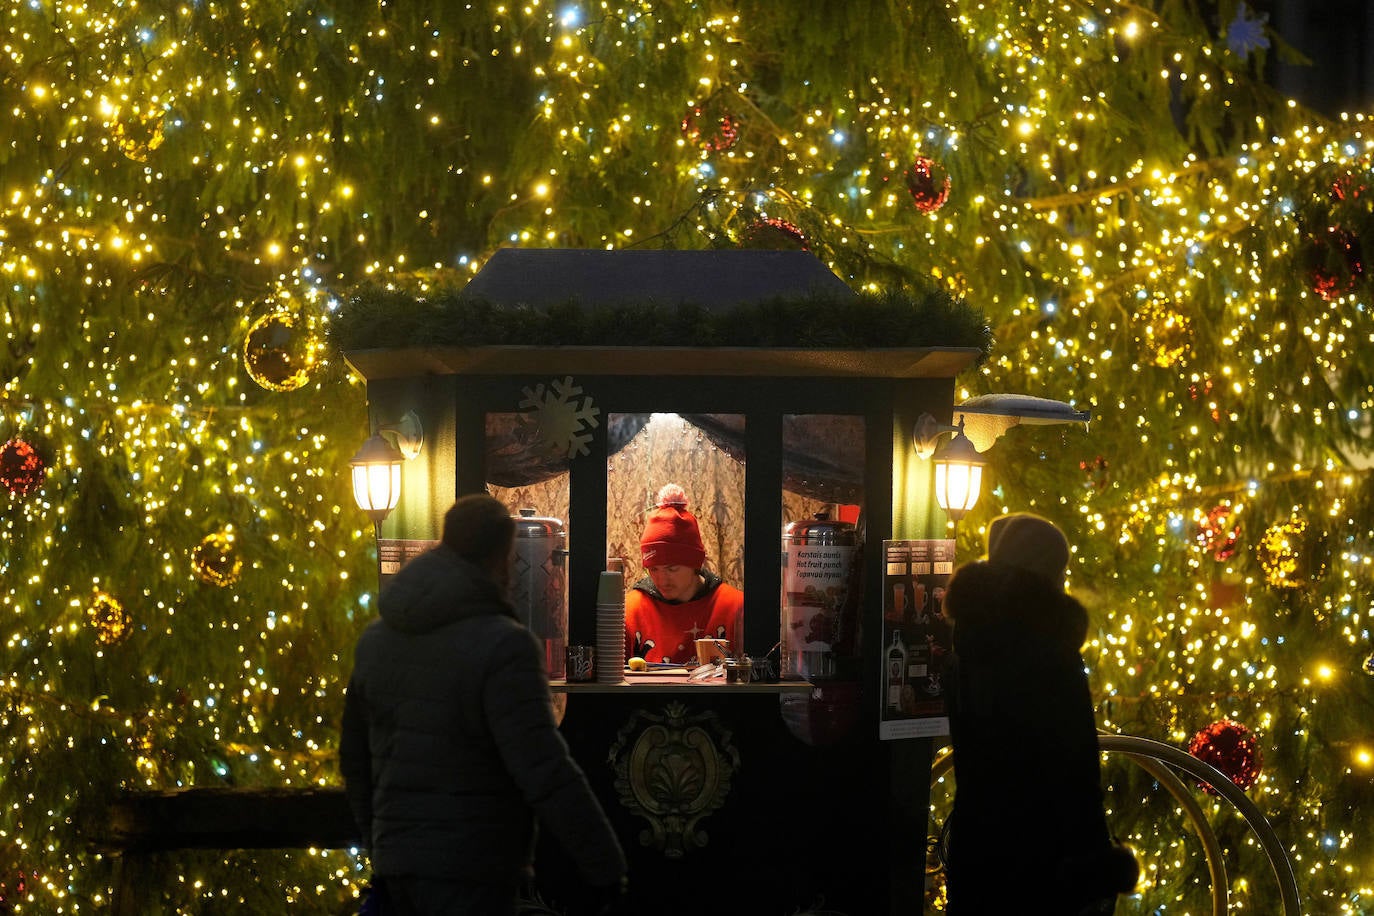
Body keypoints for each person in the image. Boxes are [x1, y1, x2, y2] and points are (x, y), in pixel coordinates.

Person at [340, 493, 628, 915]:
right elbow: (545, 769)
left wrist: (381, 840)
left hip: (396, 873)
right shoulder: (503, 647)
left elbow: (354, 759)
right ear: (499, 556)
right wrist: (606, 867)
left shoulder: (376, 642)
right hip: (474, 869)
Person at [941, 513, 1138, 916]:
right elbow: (1077, 772)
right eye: (1059, 569)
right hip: (1046, 862)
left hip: (978, 852)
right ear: (1046, 572)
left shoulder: (967, 648)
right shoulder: (1051, 656)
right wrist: (1098, 861)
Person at [624, 483, 744, 665]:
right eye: (653, 569)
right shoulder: (630, 610)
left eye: (672, 568)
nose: (662, 580)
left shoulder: (735, 607)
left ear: (695, 563)